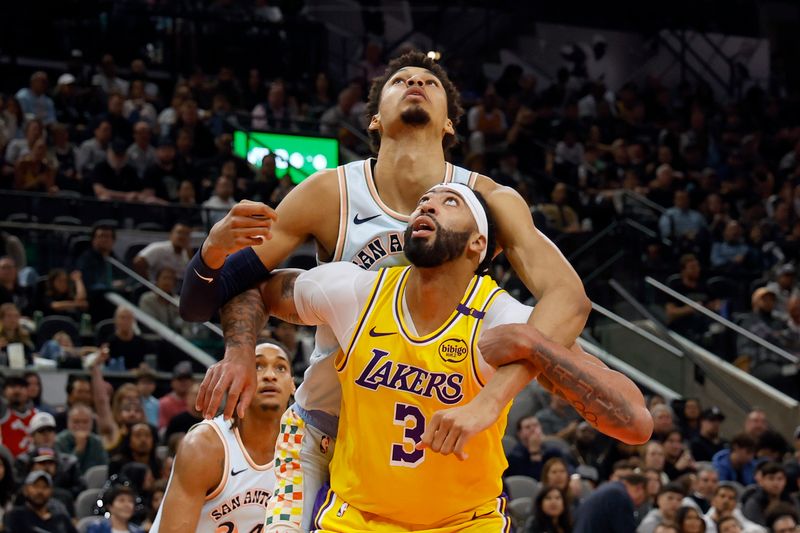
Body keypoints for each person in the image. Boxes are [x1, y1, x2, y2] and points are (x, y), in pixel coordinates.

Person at [182, 51, 595, 530]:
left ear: (450, 125)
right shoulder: (328, 193)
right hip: (323, 426)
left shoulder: (490, 203)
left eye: (430, 82)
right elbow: (214, 294)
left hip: (433, 433)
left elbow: (568, 299)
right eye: (401, 79)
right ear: (376, 117)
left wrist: (495, 396)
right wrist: (237, 347)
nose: (416, 81)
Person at [245, 184, 651, 531]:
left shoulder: (501, 319)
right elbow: (255, 288)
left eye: (449, 202)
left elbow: (634, 422)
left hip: (465, 522)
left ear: (479, 244)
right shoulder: (355, 293)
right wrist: (235, 348)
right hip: (360, 518)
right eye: (424, 201)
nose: (427, 205)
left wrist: (536, 346)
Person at [151, 342, 295, 532]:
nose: (270, 375)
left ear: (293, 385)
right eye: (258, 366)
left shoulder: (303, 449)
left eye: (280, 367)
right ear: (238, 378)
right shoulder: (204, 446)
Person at [3, 471, 76, 533]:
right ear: (25, 490)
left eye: (45, 487)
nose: (40, 491)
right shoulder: (15, 516)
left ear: (51, 491)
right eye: (35, 486)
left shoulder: (61, 518)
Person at [573, 473, 648, 533]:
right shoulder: (619, 495)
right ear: (639, 488)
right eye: (643, 499)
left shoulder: (610, 489)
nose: (638, 505)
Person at [54, 404, 109, 475]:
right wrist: (79, 449)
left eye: (85, 422)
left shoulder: (97, 442)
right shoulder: (59, 442)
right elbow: (63, 472)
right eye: (76, 421)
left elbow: (104, 468)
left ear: (92, 423)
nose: (81, 425)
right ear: (68, 422)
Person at [0, 375, 37, 457]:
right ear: (4, 391)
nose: (17, 390)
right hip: (7, 464)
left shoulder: (36, 414)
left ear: (28, 391)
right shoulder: (3, 412)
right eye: (12, 386)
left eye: (21, 387)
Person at [158, 362, 194, 430]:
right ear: (172, 382)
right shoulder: (164, 403)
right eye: (180, 379)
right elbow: (162, 429)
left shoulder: (198, 401)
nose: (183, 382)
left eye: (186, 379)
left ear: (192, 381)